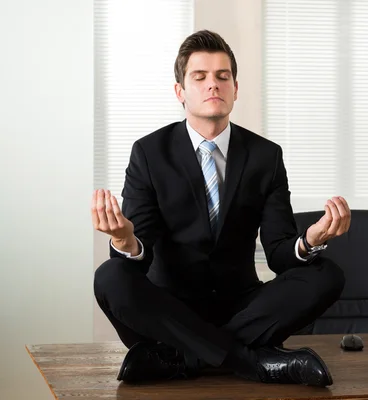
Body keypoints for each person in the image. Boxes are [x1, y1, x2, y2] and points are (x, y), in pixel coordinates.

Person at [92, 30, 350, 388]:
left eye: (222, 76)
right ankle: (252, 361)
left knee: (328, 274)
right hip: (171, 310)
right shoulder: (149, 153)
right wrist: (125, 238)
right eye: (200, 77)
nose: (213, 84)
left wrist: (309, 240)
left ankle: (181, 357)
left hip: (242, 307)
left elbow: (278, 253)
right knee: (111, 276)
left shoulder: (265, 156)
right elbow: (142, 254)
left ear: (235, 88)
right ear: (180, 91)